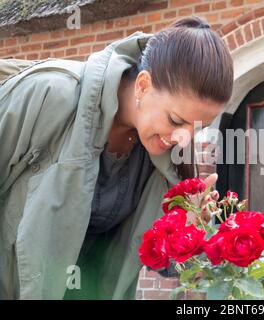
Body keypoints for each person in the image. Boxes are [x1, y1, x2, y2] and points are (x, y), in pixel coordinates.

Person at [0, 16, 234, 299]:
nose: (184, 138)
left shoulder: (165, 158)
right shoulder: (51, 94)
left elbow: (162, 263)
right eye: (175, 120)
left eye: (198, 129)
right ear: (143, 85)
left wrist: (189, 231)